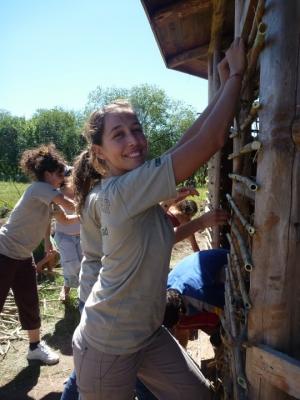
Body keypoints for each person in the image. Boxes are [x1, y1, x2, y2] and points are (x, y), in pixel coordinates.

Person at [72, 38, 245, 400]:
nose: (134, 139)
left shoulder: (132, 187)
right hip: (109, 344)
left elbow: (187, 141)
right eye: (119, 134)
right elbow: (211, 139)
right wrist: (237, 76)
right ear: (100, 153)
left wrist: (220, 88)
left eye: (137, 129)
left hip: (147, 333)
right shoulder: (121, 192)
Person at [0, 144, 75, 365]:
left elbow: (66, 219)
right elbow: (70, 206)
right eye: (61, 174)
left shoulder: (49, 196)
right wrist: (95, 205)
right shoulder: (40, 188)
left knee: (29, 302)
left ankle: (34, 348)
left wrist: (94, 218)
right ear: (48, 174)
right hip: (3, 252)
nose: (63, 178)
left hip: (23, 256)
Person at [53, 171, 82, 302]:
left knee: (82, 263)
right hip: (64, 236)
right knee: (70, 264)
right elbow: (60, 219)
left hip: (83, 236)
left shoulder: (82, 192)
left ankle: (82, 290)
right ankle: (66, 288)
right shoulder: (57, 194)